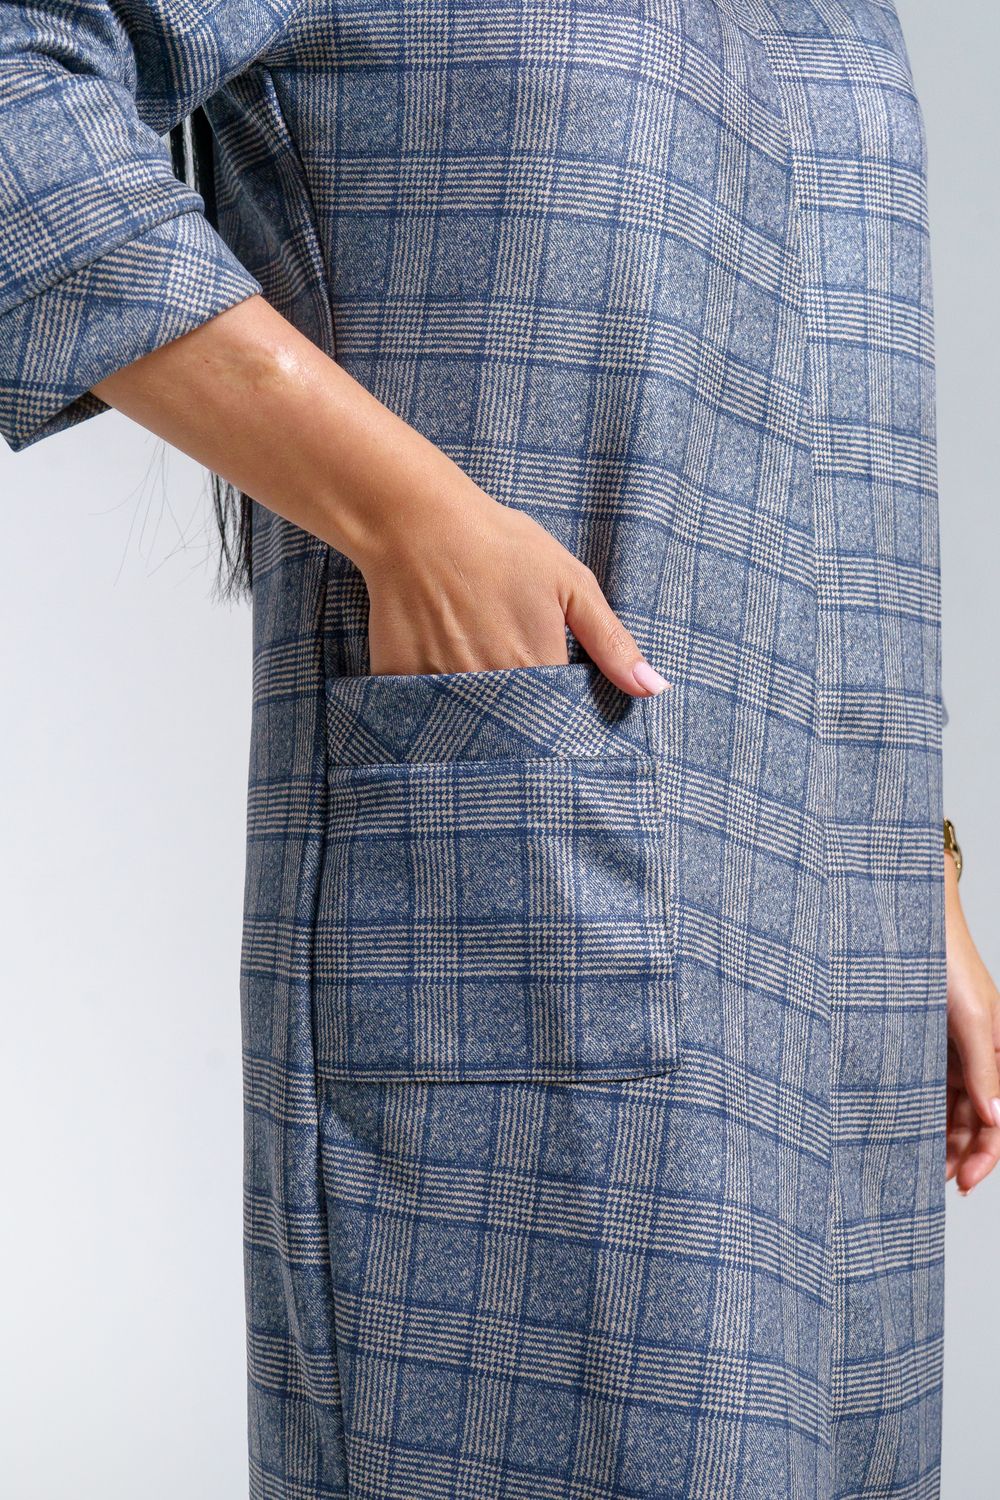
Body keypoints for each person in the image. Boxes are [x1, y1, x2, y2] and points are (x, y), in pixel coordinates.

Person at [1, 3, 996, 1495]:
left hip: (834, 948)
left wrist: (916, 856)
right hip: (526, 904)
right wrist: (409, 519)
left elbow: (822, 412)